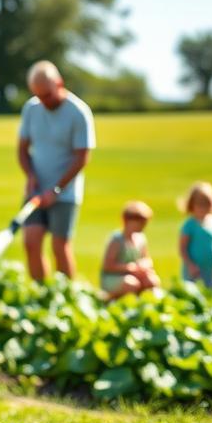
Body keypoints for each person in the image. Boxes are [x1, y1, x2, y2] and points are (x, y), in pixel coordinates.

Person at [17, 60, 96, 280]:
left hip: (66, 192)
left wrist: (57, 189)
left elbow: (82, 158)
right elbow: (22, 149)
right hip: (35, 190)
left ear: (59, 83)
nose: (44, 102)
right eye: (39, 96)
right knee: (31, 242)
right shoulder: (31, 108)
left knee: (59, 246)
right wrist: (31, 177)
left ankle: (65, 295)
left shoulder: (78, 112)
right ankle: (40, 294)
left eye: (48, 95)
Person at [100, 201, 160, 299]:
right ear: (127, 220)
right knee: (131, 284)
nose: (143, 226)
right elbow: (108, 265)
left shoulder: (141, 238)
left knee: (151, 280)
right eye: (140, 222)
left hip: (134, 274)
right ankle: (112, 300)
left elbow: (147, 258)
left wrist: (144, 266)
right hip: (115, 276)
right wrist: (131, 268)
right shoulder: (117, 239)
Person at [179, 182, 212, 290]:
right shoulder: (190, 224)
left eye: (206, 204)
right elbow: (182, 248)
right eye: (199, 205)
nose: (203, 208)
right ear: (191, 205)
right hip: (194, 270)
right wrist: (190, 265)